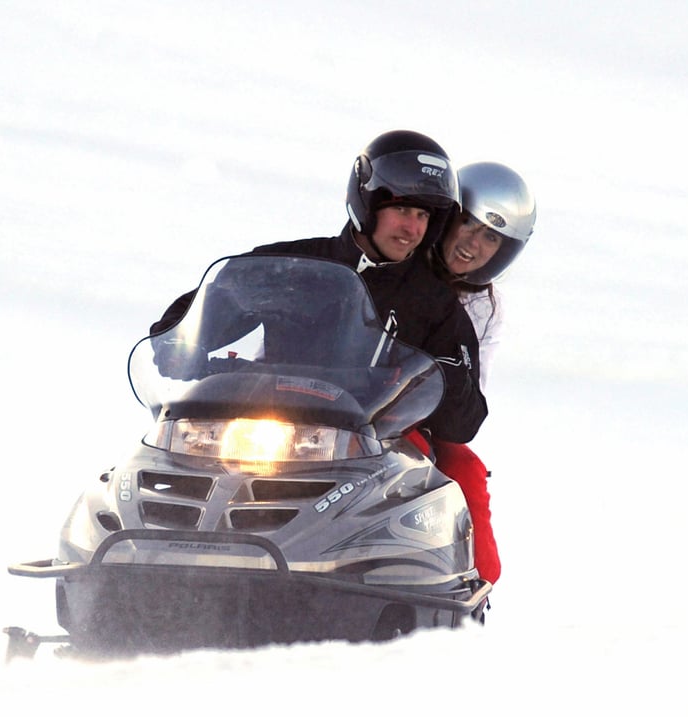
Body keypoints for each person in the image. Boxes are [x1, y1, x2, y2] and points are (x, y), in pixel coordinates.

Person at [149, 130, 487, 445]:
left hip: (373, 447)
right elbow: (211, 305)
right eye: (401, 209)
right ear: (366, 204)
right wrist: (181, 342)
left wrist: (441, 382)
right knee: (167, 455)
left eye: (423, 216)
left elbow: (465, 420)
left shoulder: (434, 302)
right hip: (267, 426)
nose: (412, 228)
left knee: (448, 484)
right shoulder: (291, 267)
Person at [413, 160, 537, 584]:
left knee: (463, 465)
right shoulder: (402, 263)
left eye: (492, 237)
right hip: (355, 409)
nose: (473, 243)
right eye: (466, 222)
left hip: (420, 422)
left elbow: (471, 394)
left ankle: (471, 588)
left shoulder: (488, 307)